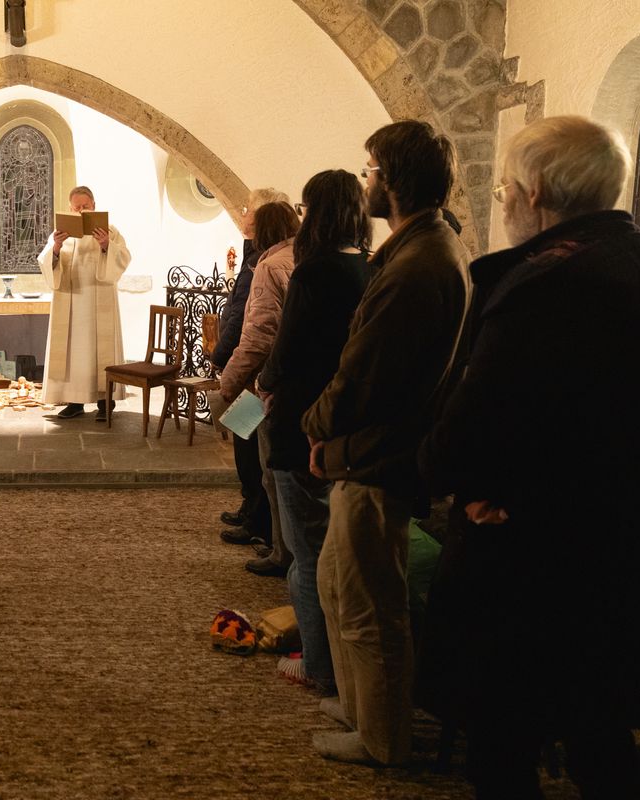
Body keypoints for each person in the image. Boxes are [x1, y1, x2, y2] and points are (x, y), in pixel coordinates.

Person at [419, 115, 640, 799]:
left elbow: (475, 424)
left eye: (501, 190)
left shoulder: (547, 285)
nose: (502, 203)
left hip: (533, 563)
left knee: (503, 745)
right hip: (628, 547)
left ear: (535, 193)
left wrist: (470, 483)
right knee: (599, 734)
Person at [301, 120, 470, 766]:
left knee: (371, 603)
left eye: (369, 169)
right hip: (372, 449)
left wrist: (316, 425)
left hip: (379, 454)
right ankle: (360, 706)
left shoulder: (417, 266)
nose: (364, 179)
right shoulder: (422, 246)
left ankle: (382, 738)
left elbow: (364, 373)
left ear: (393, 181)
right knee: (337, 582)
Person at [256, 170, 373, 692]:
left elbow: (286, 349)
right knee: (331, 548)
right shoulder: (369, 267)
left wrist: (264, 383)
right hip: (344, 422)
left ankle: (318, 665)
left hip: (300, 419)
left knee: (305, 556)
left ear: (316, 213)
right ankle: (337, 661)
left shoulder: (314, 273)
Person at [215, 202, 300, 561]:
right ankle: (252, 511)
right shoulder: (297, 256)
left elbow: (257, 331)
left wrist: (228, 377)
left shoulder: (268, 264)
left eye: (251, 224)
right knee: (248, 445)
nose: (246, 230)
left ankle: (259, 523)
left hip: (259, 377)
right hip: (276, 373)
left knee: (253, 454)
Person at [38, 186, 131, 421]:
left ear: (94, 206)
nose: (81, 211)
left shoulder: (109, 231)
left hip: (100, 301)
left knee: (101, 354)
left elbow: (124, 257)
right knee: (73, 355)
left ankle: (105, 402)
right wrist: (56, 247)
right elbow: (45, 261)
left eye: (85, 206)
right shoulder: (61, 233)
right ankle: (74, 402)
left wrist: (106, 245)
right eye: (76, 207)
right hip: (71, 303)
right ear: (70, 209)